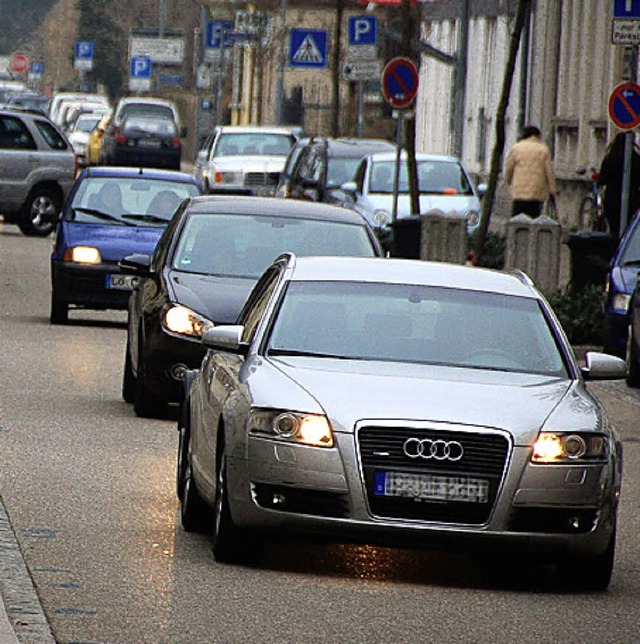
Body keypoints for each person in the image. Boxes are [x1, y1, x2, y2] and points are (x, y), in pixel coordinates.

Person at [505, 125, 556, 218]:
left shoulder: (516, 148)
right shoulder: (543, 150)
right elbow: (549, 172)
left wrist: (509, 181)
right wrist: (552, 190)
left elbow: (509, 169)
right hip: (537, 192)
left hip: (519, 192)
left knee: (517, 220)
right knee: (534, 220)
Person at [598, 132, 640, 239]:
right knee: (629, 232)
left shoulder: (610, 158)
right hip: (633, 200)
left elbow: (602, 180)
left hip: (612, 201)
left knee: (614, 231)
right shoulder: (636, 159)